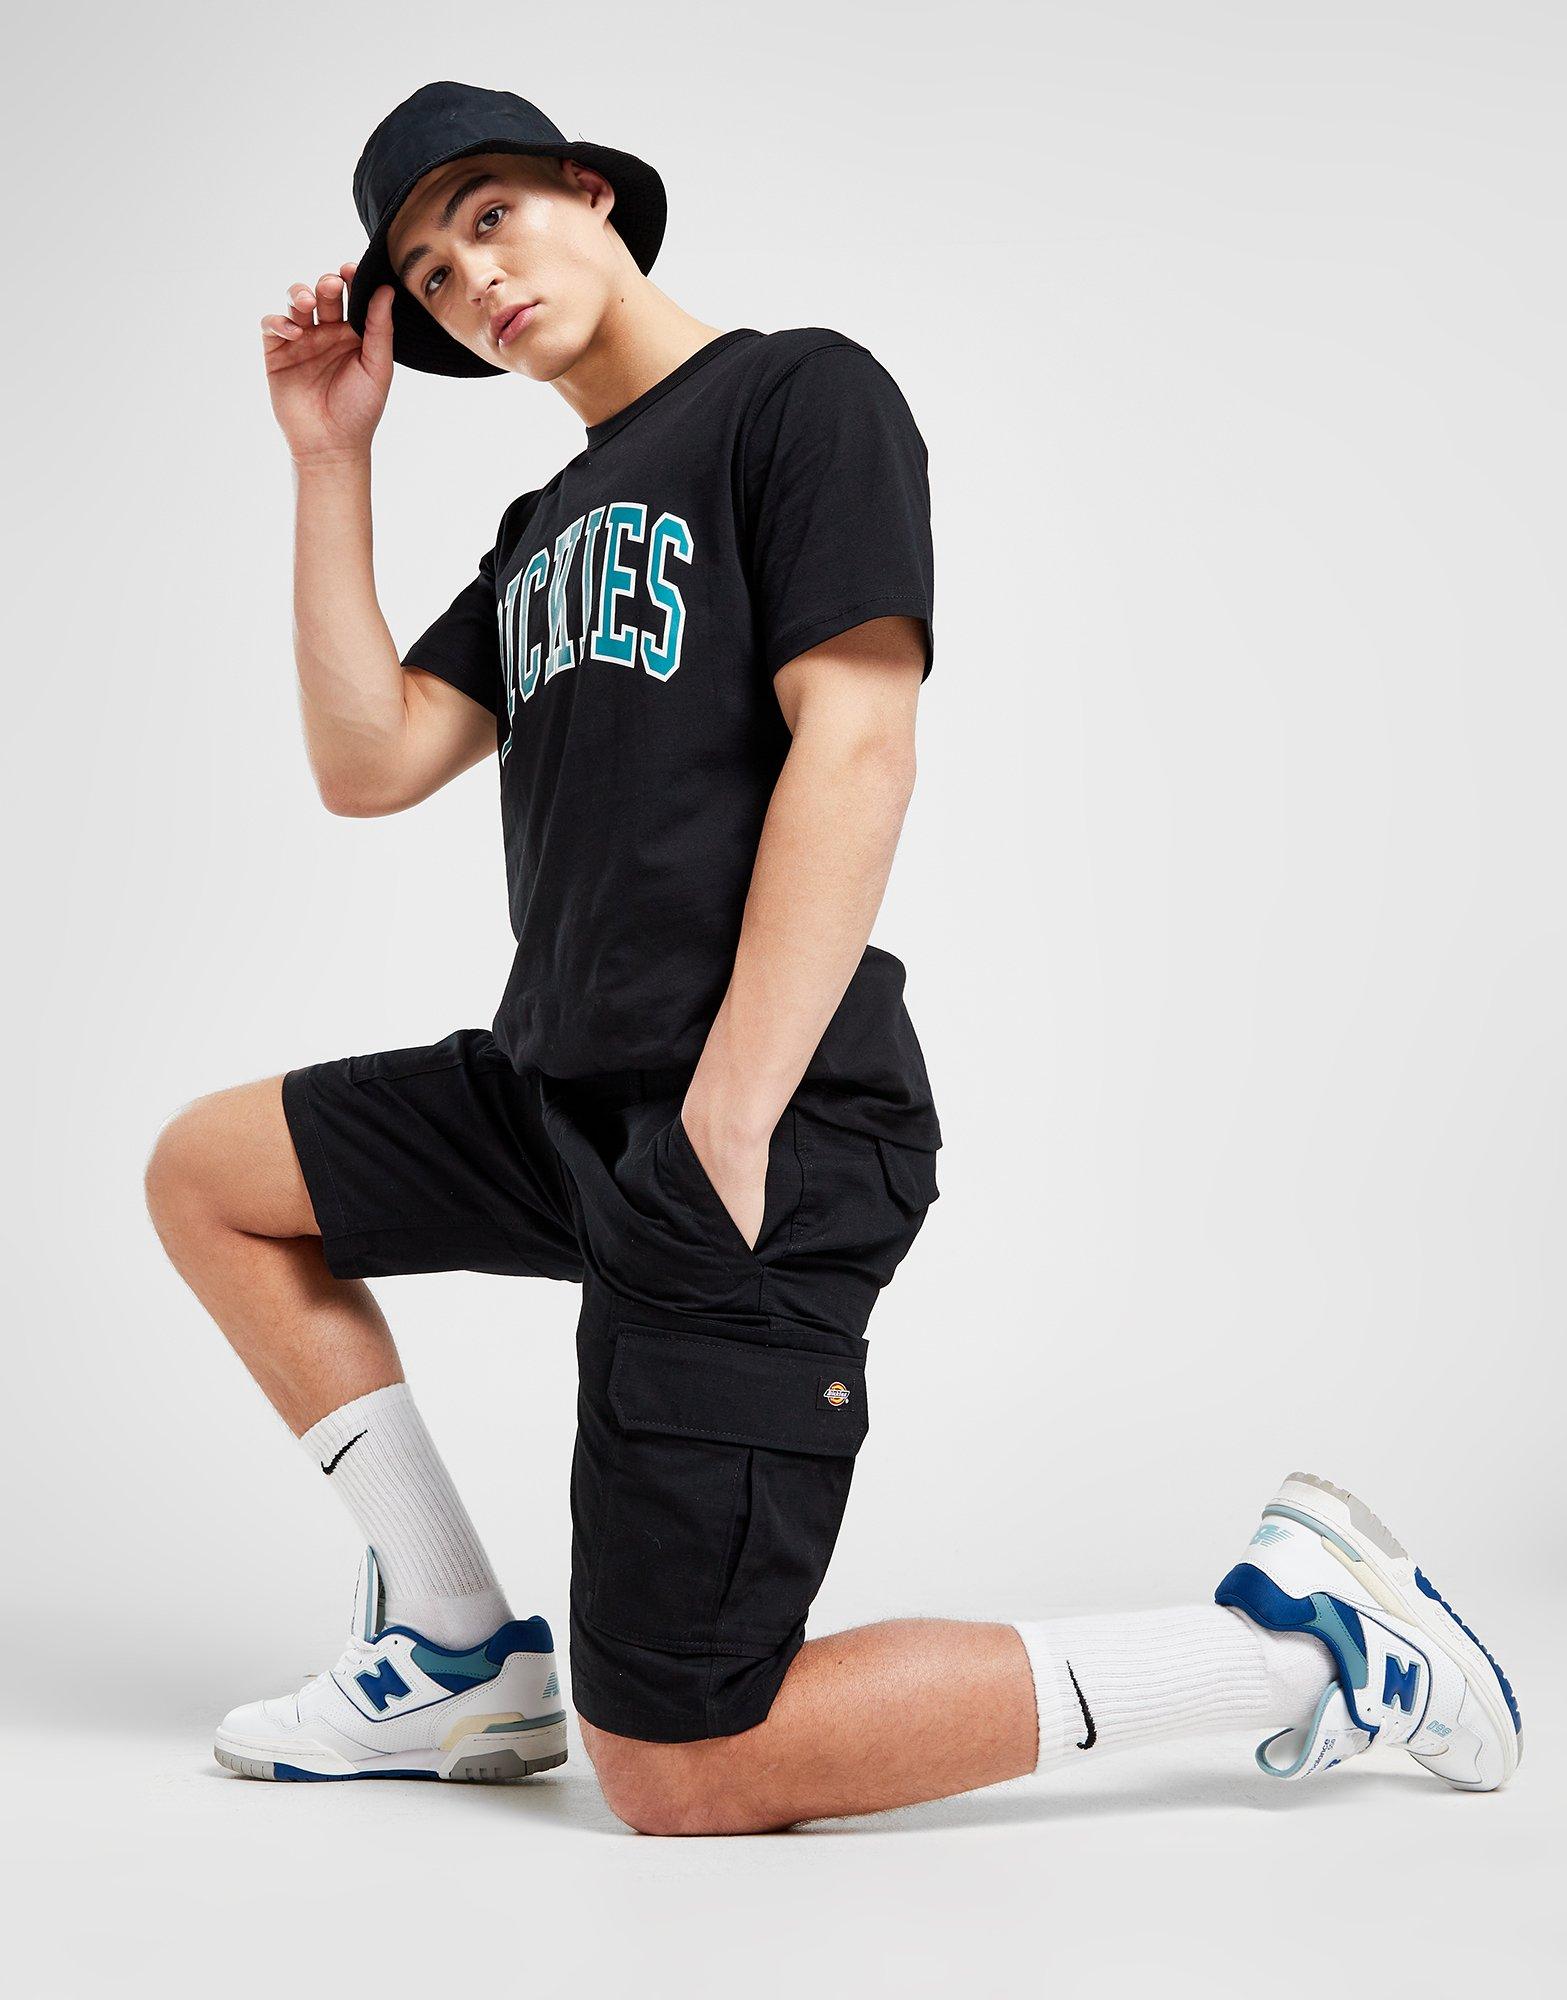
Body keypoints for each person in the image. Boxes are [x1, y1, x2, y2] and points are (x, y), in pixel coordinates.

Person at [144, 81, 1521, 1828]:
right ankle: (455, 1645)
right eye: (424, 272)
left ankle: (1305, 1649)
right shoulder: (544, 527)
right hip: (561, 1095)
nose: (468, 277)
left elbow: (858, 746)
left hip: (761, 1117)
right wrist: (331, 458)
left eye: (489, 215)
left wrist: (726, 1125)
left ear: (590, 195)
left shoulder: (798, 395)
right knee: (212, 1175)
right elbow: (368, 761)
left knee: (681, 1765)